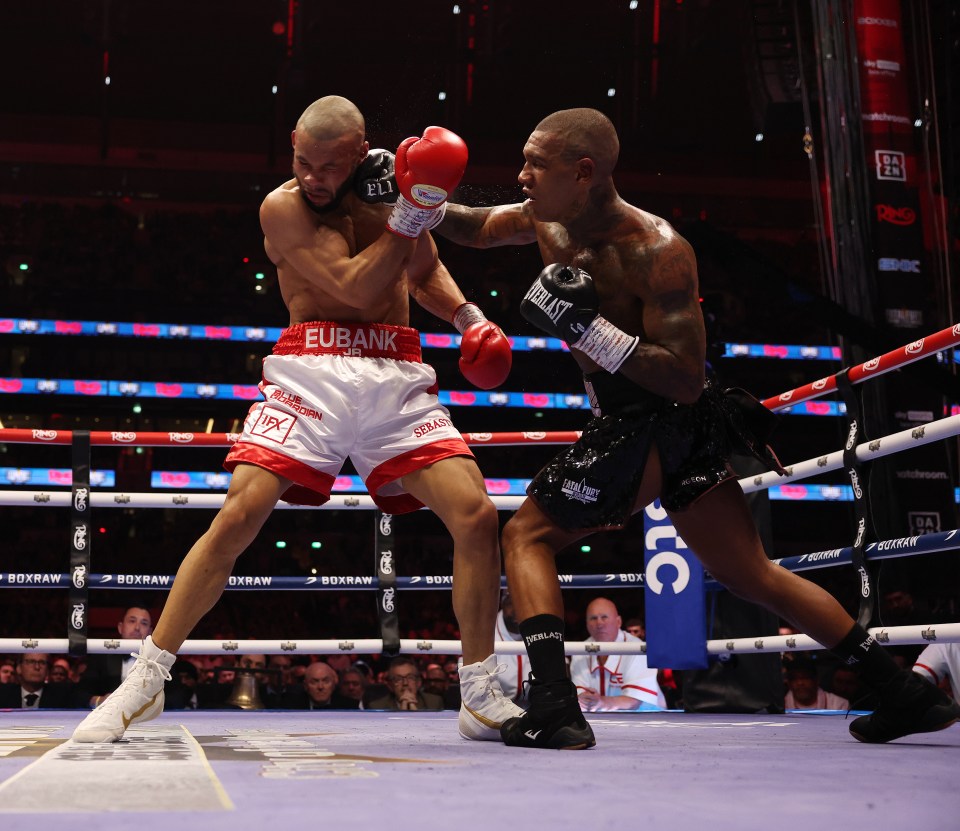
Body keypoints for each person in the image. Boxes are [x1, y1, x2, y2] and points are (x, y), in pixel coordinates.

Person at [434, 106, 960, 749]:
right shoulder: (549, 219)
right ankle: (905, 691)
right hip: (651, 424)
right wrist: (414, 195)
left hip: (660, 419)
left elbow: (683, 377)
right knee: (754, 575)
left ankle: (553, 705)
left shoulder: (657, 250)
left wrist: (586, 329)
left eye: (534, 164)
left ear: (583, 172)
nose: (520, 177)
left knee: (525, 538)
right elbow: (476, 227)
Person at [72, 95, 521, 744]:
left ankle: (479, 689)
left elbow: (420, 270)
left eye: (327, 167)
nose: (312, 176)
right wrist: (411, 209)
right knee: (239, 512)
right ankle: (145, 681)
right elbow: (358, 288)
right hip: (311, 371)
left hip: (394, 372)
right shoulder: (281, 208)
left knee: (477, 515)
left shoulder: (386, 192)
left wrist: (468, 316)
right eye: (301, 161)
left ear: (357, 150)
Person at [570, 597, 664, 712]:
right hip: (601, 718)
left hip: (650, 718)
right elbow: (580, 697)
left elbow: (634, 701)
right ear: (587, 624)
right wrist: (586, 699)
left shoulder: (636, 648)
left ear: (618, 622)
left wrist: (601, 702)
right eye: (593, 618)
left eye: (604, 617)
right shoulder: (580, 651)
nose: (599, 623)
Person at [494, 591, 532, 705]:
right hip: (494, 705)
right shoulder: (485, 629)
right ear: (503, 604)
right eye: (512, 603)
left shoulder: (540, 624)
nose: (517, 609)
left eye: (522, 603)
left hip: (535, 704)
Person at [365, 656, 444, 711]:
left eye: (410, 677)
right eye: (398, 679)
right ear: (390, 686)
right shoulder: (377, 707)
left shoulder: (434, 703)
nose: (405, 683)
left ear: (419, 683)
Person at [0, 654, 75, 709]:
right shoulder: (3, 694)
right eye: (31, 662)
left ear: (48, 670)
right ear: (19, 668)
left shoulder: (62, 696)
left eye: (42, 662)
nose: (37, 667)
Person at [281, 660, 358, 710]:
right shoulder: (291, 708)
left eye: (326, 681)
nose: (320, 687)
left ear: (334, 684)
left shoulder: (350, 707)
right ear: (305, 685)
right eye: (314, 682)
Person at [783, 658, 849, 710]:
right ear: (788, 683)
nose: (800, 683)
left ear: (817, 680)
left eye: (805, 677)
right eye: (794, 678)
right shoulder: (780, 706)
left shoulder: (839, 704)